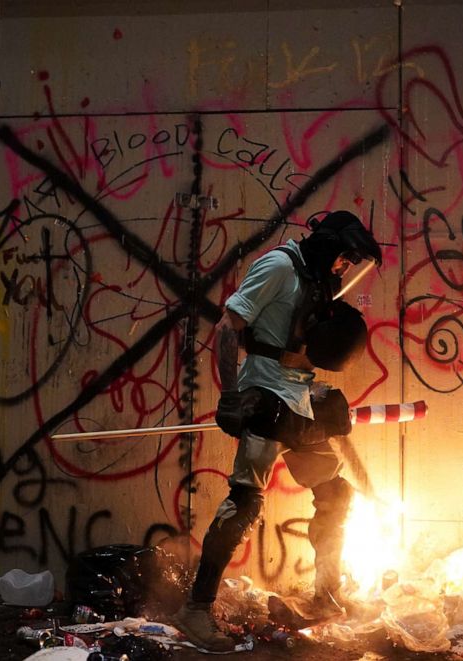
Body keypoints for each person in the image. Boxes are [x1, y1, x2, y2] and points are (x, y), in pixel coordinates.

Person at [172, 210, 383, 651]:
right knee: (246, 502)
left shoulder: (321, 277)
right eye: (344, 257)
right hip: (264, 392)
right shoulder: (279, 267)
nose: (344, 266)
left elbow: (306, 344)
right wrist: (231, 395)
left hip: (298, 393)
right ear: (329, 246)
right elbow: (229, 328)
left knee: (335, 493)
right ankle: (196, 608)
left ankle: (326, 592)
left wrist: (324, 393)